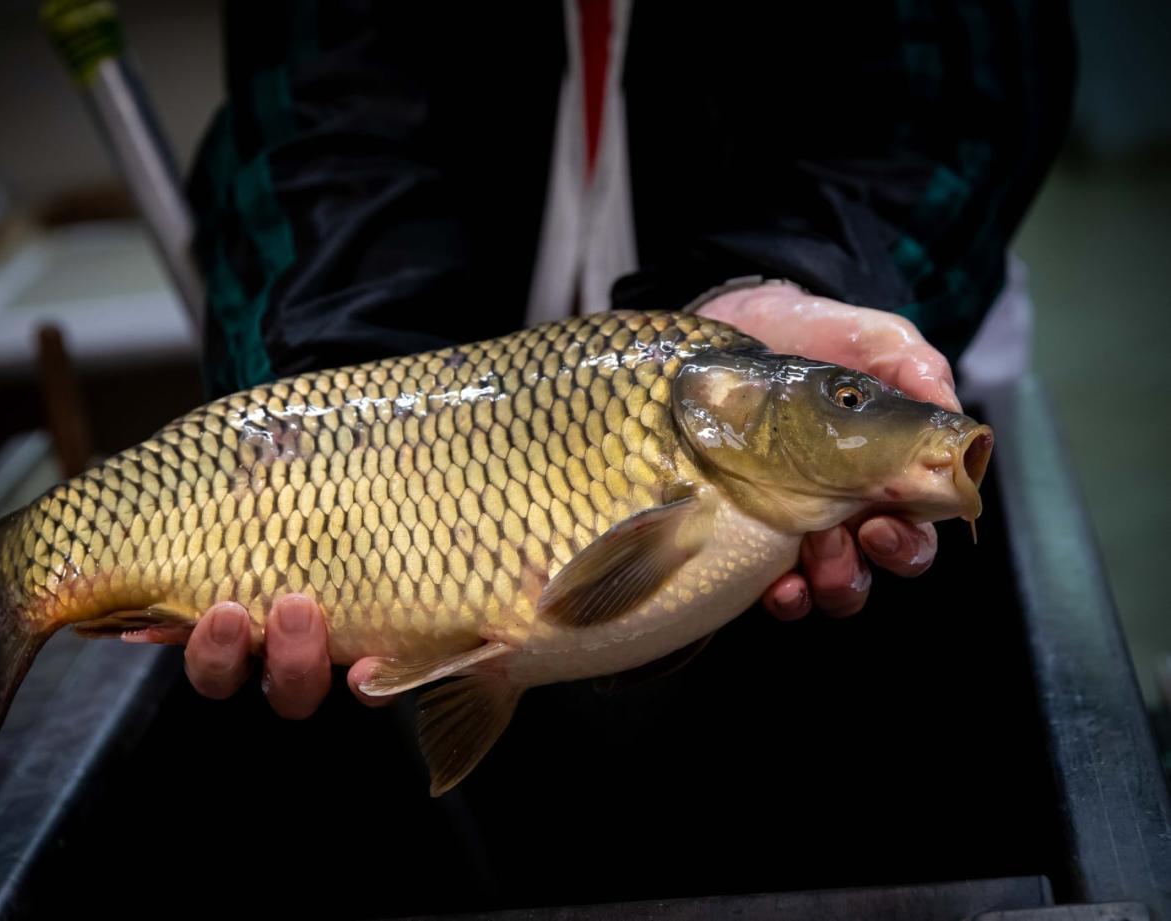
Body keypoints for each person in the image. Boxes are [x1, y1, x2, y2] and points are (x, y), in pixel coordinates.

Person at [139, 0, 1075, 719]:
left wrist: (799, 279)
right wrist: (341, 393)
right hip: (465, 381)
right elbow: (321, 114)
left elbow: (951, 94)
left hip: (846, 303)